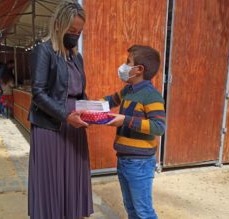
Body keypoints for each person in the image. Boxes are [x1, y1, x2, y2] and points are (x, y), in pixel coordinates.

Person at [28, 1, 93, 219]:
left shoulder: (77, 57)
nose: (75, 35)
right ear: (58, 24)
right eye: (72, 30)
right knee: (52, 181)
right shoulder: (44, 50)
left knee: (73, 179)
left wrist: (92, 109)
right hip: (51, 126)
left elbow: (80, 92)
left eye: (79, 32)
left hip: (75, 126)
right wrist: (66, 115)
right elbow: (38, 93)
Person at [104, 45, 166, 219]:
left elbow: (158, 127)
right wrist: (88, 107)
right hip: (123, 159)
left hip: (140, 163)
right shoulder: (128, 91)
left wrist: (125, 120)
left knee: (143, 211)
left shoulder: (151, 96)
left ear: (139, 69)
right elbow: (109, 101)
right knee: (130, 207)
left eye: (127, 62)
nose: (123, 67)